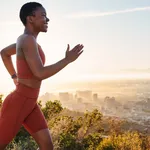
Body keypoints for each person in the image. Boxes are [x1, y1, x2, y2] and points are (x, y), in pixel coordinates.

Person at [0, 2, 84, 150]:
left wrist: (14, 76)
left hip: (30, 103)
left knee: (47, 146)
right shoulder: (27, 40)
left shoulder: (26, 40)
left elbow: (4, 53)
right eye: (43, 16)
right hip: (19, 103)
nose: (47, 20)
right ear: (30, 18)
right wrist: (67, 60)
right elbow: (39, 73)